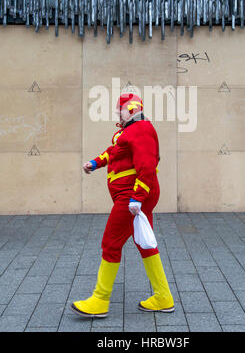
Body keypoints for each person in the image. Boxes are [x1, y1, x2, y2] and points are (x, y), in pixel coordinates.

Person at [70, 93, 174, 318]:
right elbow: (114, 152)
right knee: (144, 243)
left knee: (111, 243)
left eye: (121, 109)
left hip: (130, 196)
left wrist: (137, 198)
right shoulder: (129, 132)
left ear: (132, 109)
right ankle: (163, 297)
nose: (118, 112)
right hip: (131, 196)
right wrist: (95, 163)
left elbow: (146, 165)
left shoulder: (141, 129)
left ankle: (99, 299)